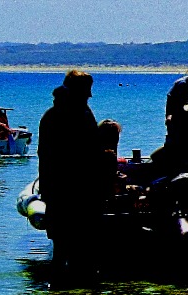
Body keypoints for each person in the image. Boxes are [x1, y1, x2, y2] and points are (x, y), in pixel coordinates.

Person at [37, 70, 110, 279]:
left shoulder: (53, 115)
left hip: (60, 188)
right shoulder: (78, 114)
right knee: (77, 246)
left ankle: (62, 291)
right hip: (75, 189)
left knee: (63, 246)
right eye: (86, 91)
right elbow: (88, 153)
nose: (88, 96)